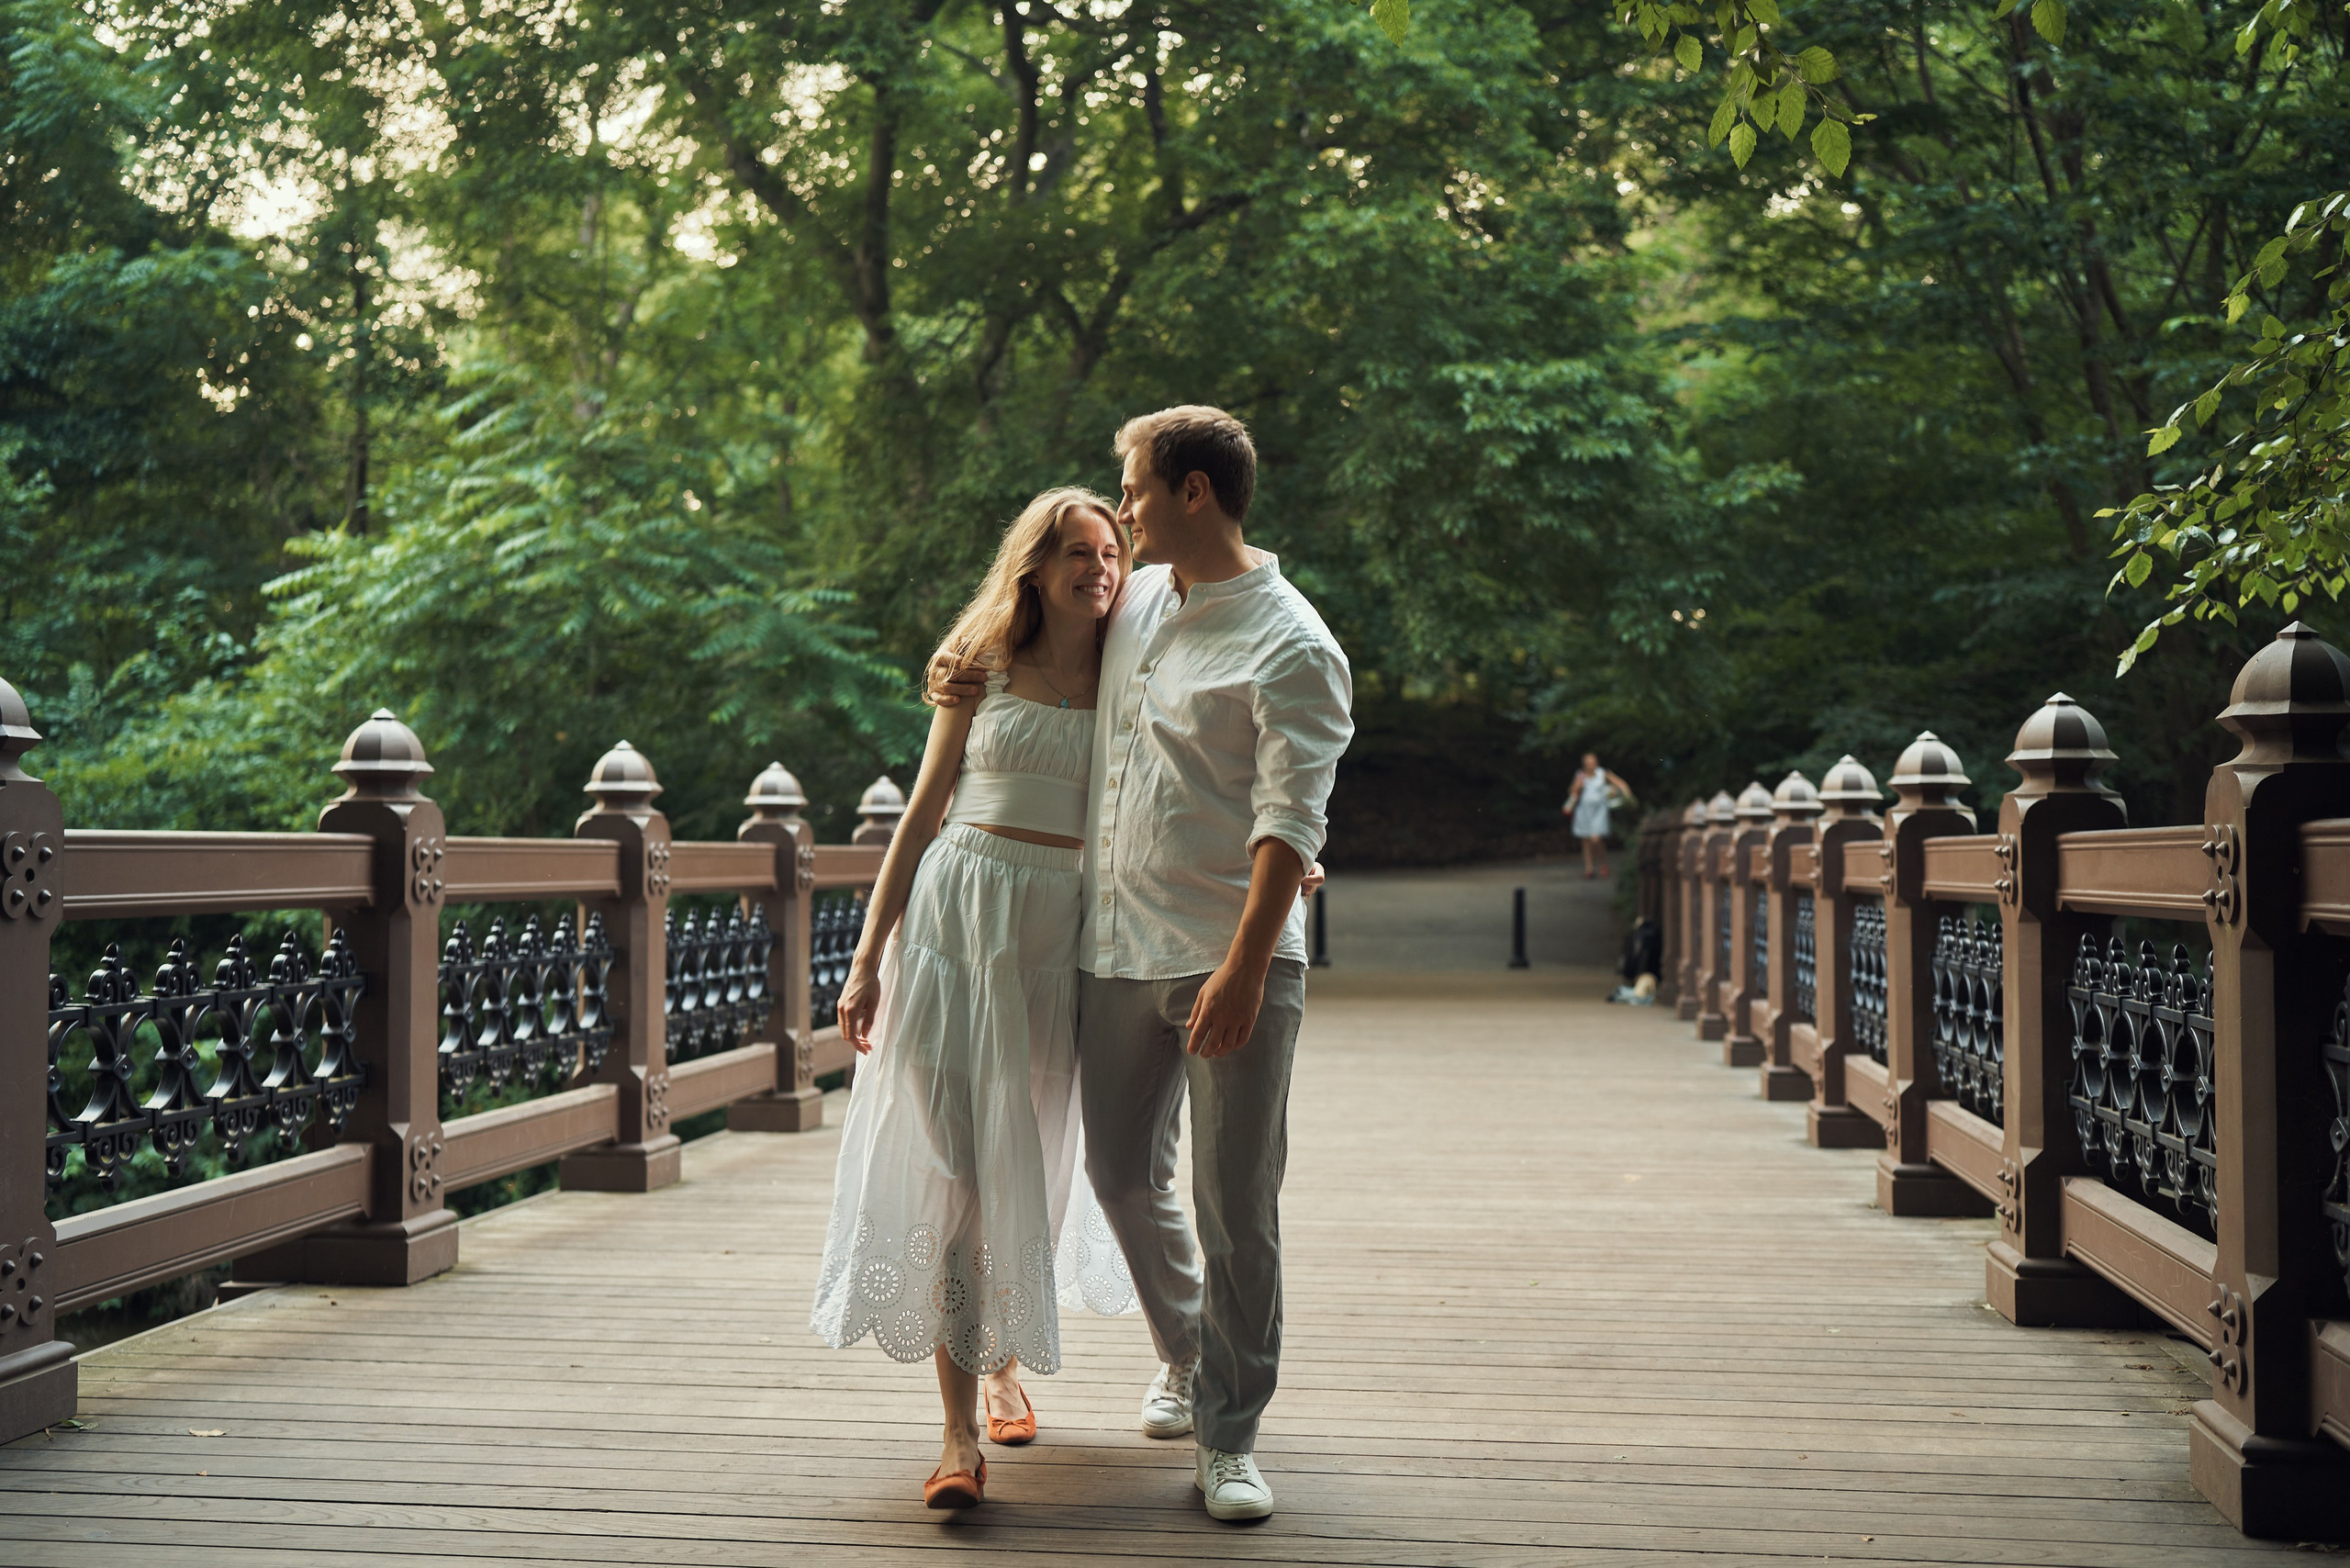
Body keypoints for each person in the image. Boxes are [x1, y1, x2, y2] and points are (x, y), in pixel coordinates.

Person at [932, 406, 1354, 1523]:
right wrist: (959, 665)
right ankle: (1186, 1350)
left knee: (1236, 1203)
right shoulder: (1136, 601)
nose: (1122, 508)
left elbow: (1288, 823)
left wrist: (1248, 964)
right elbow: (1033, 642)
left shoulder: (1293, 642)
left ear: (1193, 494)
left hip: (1232, 960)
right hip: (1112, 945)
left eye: (1135, 487)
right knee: (1121, 1176)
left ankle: (1229, 1436)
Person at [810, 487, 1140, 1511]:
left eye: (1113, 551)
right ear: (1035, 566)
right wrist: (866, 960)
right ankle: (957, 1435)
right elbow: (918, 819)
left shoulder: (1134, 670)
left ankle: (998, 1356)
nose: (1101, 568)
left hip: (1056, 945)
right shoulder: (980, 666)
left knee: (1021, 1165)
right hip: (955, 931)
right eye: (1080, 552)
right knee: (954, 1164)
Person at [1564, 753, 1633, 879]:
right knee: (1585, 840)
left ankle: (1602, 863)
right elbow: (1572, 792)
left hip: (1599, 812)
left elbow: (1620, 783)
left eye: (1591, 762)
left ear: (1596, 763)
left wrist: (1626, 794)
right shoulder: (1580, 775)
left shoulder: (1603, 774)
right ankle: (1589, 869)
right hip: (1583, 811)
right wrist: (1578, 786)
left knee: (1596, 839)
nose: (1589, 765)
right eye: (1587, 763)